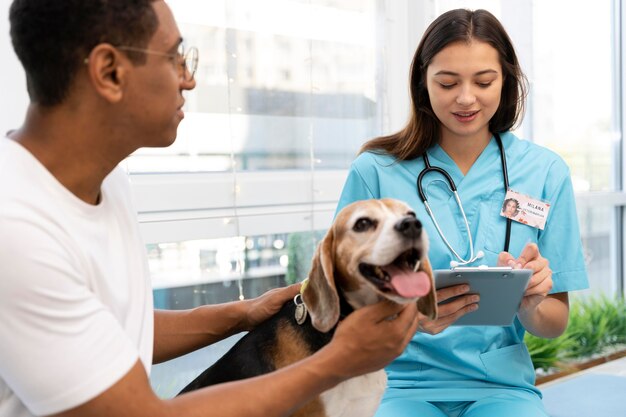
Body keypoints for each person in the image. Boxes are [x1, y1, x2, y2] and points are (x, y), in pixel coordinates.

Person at [0, 1, 421, 416]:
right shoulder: (16, 231)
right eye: (174, 57)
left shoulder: (106, 177)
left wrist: (240, 314)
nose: (189, 79)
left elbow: (111, 333)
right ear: (109, 71)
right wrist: (338, 361)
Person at [336, 8, 588, 417]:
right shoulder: (375, 171)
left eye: (484, 81)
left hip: (501, 386)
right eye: (448, 82)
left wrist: (531, 305)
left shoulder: (545, 171)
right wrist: (409, 317)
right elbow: (342, 301)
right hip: (397, 381)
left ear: (506, 81)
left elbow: (555, 321)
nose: (466, 98)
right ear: (422, 82)